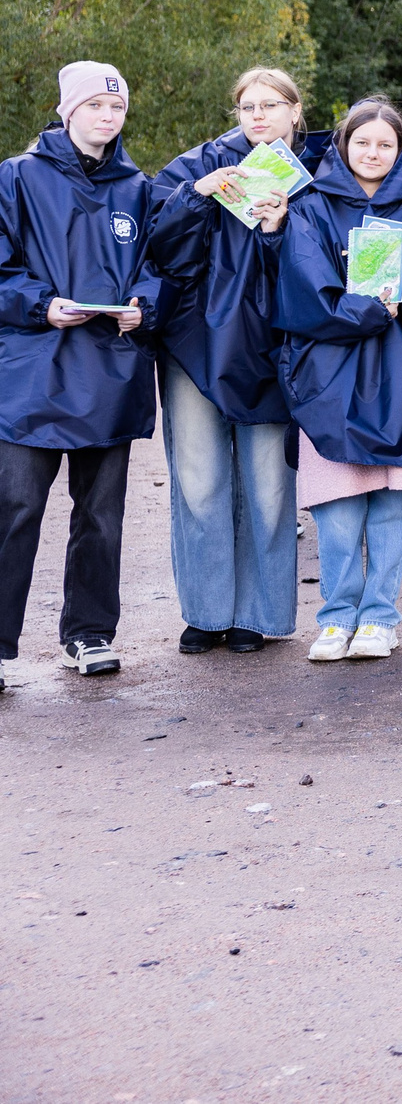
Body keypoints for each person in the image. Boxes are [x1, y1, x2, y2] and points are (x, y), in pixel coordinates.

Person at [272, 101, 402, 661]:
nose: (373, 153)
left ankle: (380, 616)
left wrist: (401, 262)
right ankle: (336, 618)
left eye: (385, 144)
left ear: (400, 149)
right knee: (336, 502)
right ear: (343, 145)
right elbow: (304, 287)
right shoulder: (310, 206)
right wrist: (372, 307)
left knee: (395, 500)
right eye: (363, 143)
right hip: (329, 371)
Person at [0, 63, 157, 685]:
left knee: (100, 514)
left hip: (110, 373)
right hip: (31, 374)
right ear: (68, 111)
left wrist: (144, 306)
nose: (107, 116)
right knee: (14, 509)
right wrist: (41, 305)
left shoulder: (139, 188)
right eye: (95, 105)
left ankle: (89, 634)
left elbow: (159, 267)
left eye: (117, 107)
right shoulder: (17, 177)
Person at [144, 68, 305, 654]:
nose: (258, 115)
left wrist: (279, 229)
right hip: (194, 344)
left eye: (271, 105)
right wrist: (196, 196)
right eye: (248, 106)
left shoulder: (317, 174)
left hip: (273, 345)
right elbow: (158, 250)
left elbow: (325, 265)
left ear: (295, 111)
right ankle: (206, 611)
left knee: (269, 486)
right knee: (199, 479)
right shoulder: (197, 166)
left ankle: (258, 614)